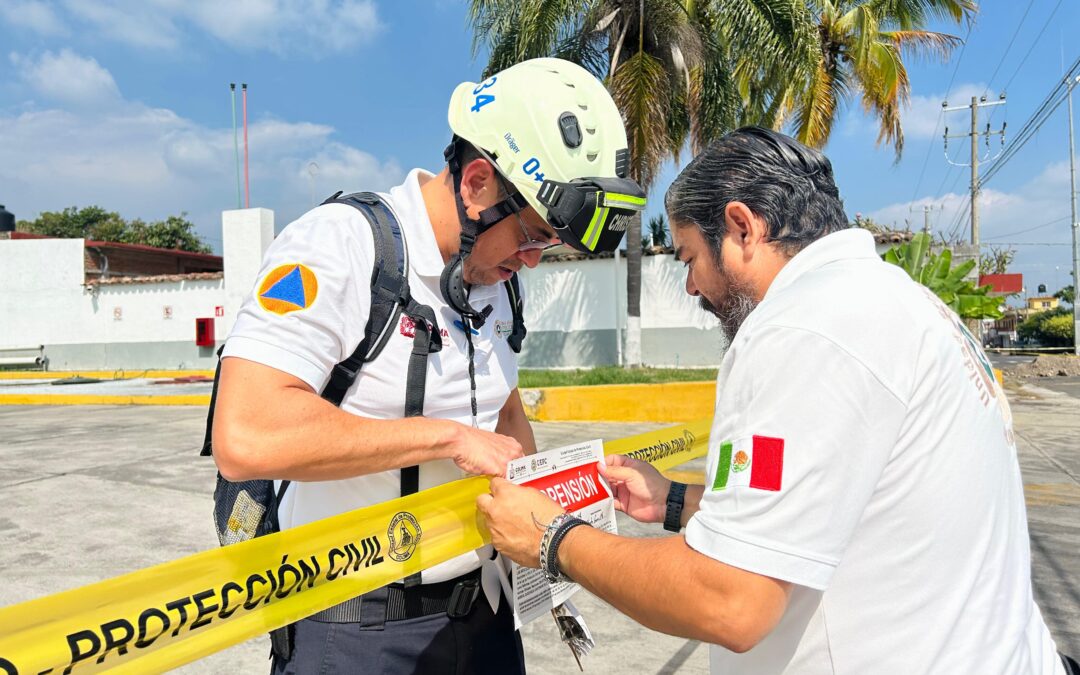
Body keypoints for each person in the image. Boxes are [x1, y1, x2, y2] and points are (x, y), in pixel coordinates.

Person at [477, 127, 1073, 674]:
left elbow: (731, 602)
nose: (689, 286)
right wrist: (676, 501)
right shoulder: (896, 302)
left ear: (742, 227)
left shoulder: (803, 328)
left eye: (688, 258)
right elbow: (835, 505)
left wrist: (552, 537)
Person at [211, 57, 645, 674]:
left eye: (549, 244)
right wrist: (448, 439)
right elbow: (248, 434)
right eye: (533, 235)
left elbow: (507, 417)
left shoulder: (495, 279)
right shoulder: (342, 246)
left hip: (487, 616)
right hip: (358, 628)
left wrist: (550, 493)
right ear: (476, 184)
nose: (533, 259)